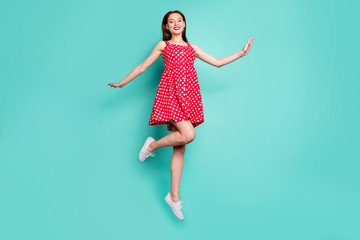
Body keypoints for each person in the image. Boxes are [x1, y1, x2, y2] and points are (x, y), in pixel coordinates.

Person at [108, 10, 254, 221]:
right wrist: (122, 82)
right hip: (171, 96)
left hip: (189, 97)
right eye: (171, 21)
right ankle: (151, 145)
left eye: (179, 20)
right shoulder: (163, 46)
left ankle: (173, 197)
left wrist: (241, 53)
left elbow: (217, 62)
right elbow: (142, 67)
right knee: (189, 134)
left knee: (180, 147)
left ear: (184, 25)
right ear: (166, 27)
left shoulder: (192, 48)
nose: (176, 24)